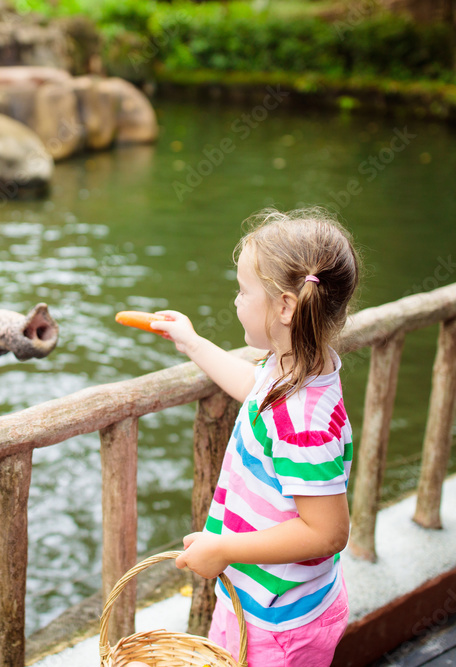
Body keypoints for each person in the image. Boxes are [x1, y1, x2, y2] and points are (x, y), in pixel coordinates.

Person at [151, 207, 360, 666]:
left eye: (244, 291)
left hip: (282, 624)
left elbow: (328, 532)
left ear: (285, 306)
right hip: (258, 599)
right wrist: (192, 343)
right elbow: (253, 390)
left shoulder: (303, 418)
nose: (236, 301)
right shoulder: (294, 366)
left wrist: (225, 548)